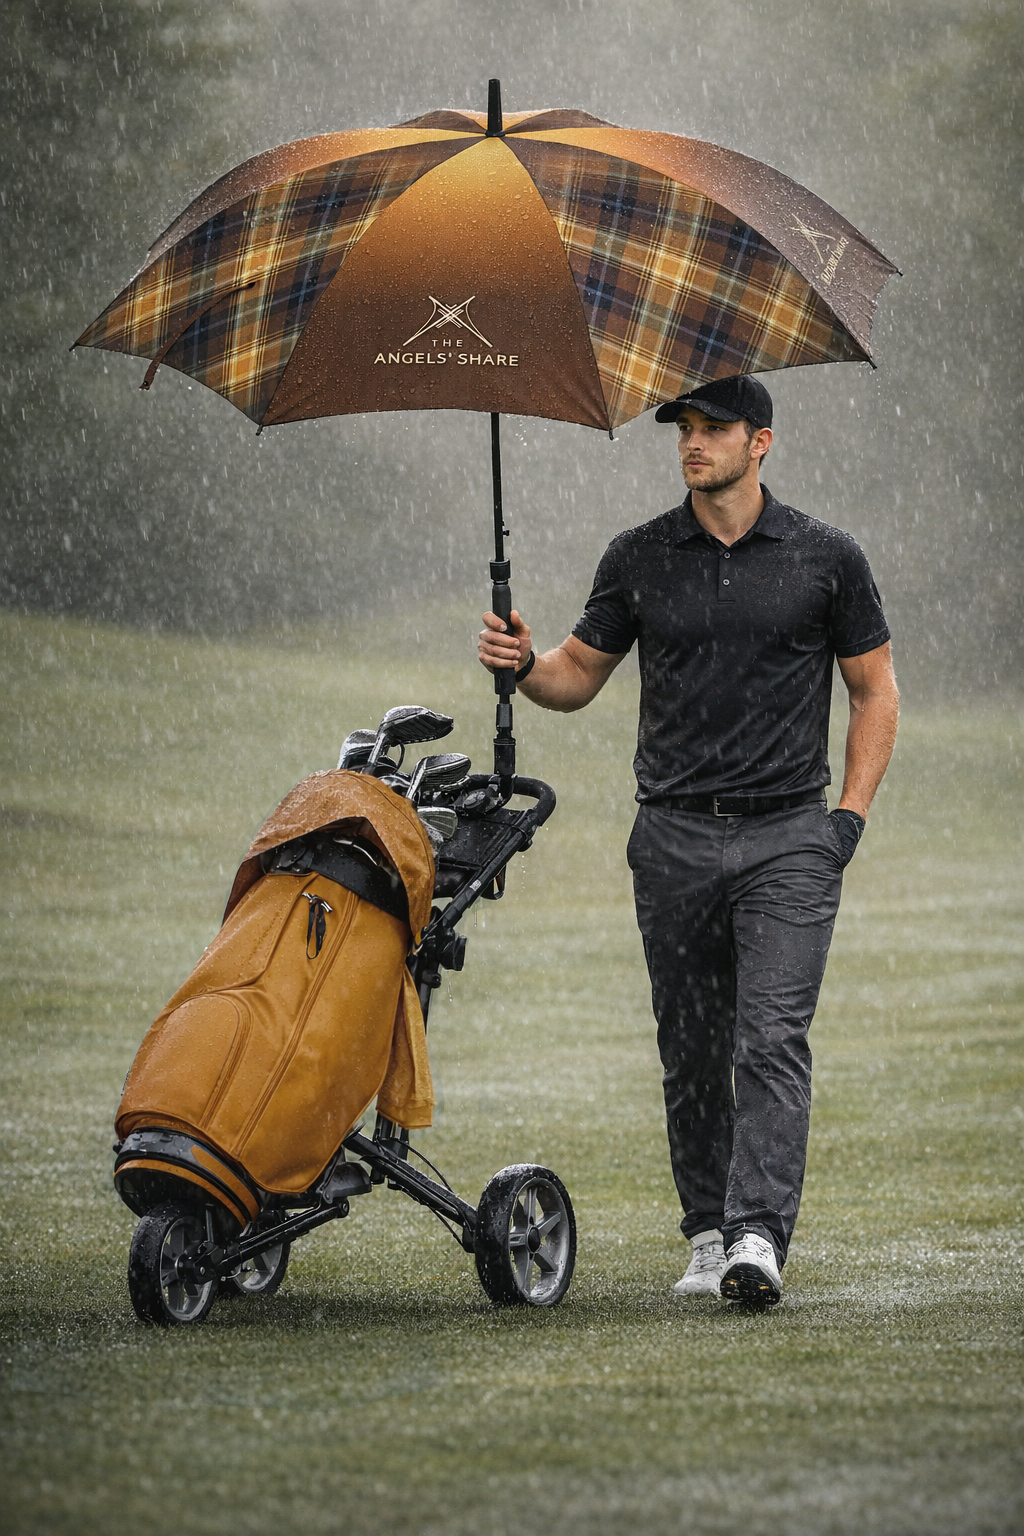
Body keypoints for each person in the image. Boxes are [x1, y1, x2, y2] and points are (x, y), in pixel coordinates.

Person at [478, 374, 899, 1307]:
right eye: (684, 428)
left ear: (763, 443)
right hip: (669, 837)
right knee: (692, 1046)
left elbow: (875, 691)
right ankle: (707, 1233)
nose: (692, 442)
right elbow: (576, 675)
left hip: (791, 837)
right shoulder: (639, 557)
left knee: (773, 1038)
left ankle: (757, 1237)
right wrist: (524, 659)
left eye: (714, 428)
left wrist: (848, 821)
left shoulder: (828, 558)